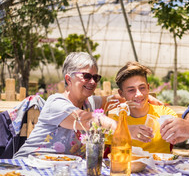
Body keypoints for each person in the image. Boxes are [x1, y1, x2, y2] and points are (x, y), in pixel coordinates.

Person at [14, 52, 161, 159]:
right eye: (86, 76)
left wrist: (147, 98)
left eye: (95, 77)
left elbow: (116, 98)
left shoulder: (89, 102)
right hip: (29, 165)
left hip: (62, 171)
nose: (92, 82)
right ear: (68, 79)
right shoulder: (56, 103)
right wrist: (125, 130)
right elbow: (89, 120)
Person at [113, 61, 178, 153]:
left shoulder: (165, 113)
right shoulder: (118, 121)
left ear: (148, 88)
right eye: (131, 90)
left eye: (142, 88)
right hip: (131, 166)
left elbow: (178, 134)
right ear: (121, 93)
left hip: (160, 166)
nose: (138, 94)